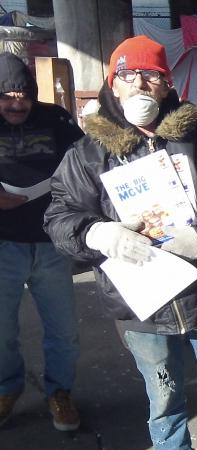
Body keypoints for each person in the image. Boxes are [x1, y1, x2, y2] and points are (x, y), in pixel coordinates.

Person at [43, 36, 197, 450]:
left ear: (168, 85)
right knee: (163, 395)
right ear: (113, 84)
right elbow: (59, 215)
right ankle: (169, 445)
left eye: (152, 75)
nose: (139, 83)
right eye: (128, 74)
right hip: (140, 302)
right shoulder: (88, 153)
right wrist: (98, 233)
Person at [0, 52, 84, 431]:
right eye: (5, 95)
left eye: (22, 94)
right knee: (1, 330)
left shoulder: (55, 118)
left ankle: (60, 392)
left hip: (52, 241)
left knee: (62, 328)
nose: (15, 103)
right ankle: (7, 389)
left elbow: (85, 161)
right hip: (3, 244)